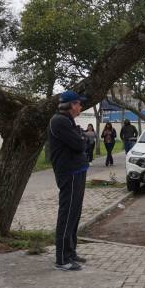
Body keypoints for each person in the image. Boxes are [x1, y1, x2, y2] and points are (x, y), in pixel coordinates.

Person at [49, 91, 90, 271]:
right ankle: (62, 258)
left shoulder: (68, 121)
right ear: (71, 105)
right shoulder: (60, 121)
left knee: (75, 213)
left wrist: (82, 138)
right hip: (69, 172)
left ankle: (71, 251)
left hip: (78, 170)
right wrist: (82, 138)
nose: (81, 107)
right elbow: (80, 144)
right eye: (79, 104)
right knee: (67, 214)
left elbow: (82, 140)